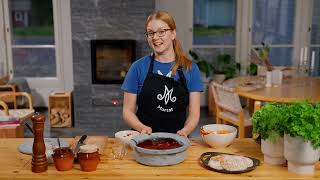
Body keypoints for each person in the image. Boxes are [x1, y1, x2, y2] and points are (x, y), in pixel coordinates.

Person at [121, 10, 203, 137]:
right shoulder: (137, 67)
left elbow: (194, 114)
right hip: (143, 139)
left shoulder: (190, 68)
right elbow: (127, 111)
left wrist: (185, 131)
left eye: (161, 32)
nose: (155, 37)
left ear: (173, 33)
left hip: (177, 140)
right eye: (150, 33)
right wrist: (141, 128)